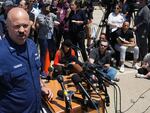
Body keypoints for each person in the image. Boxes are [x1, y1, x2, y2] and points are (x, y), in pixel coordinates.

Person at [0, 7, 53, 113]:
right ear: (7, 26)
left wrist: (41, 85)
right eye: (16, 26)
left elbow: (34, 71)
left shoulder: (31, 45)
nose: (21, 30)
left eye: (25, 26)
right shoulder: (1, 53)